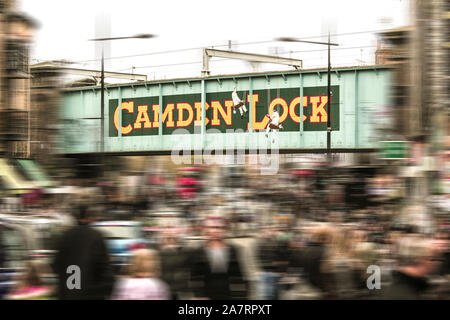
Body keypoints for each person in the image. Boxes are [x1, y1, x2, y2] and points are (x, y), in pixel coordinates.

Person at [52, 204, 114, 299]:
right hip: (90, 294)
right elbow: (105, 269)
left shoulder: (65, 236)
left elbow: (56, 265)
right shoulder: (96, 236)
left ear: (74, 217)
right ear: (90, 218)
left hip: (69, 293)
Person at [189, 216, 248, 300]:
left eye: (219, 228)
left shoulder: (234, 250)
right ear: (205, 230)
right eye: (211, 227)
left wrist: (240, 297)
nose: (215, 231)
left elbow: (239, 277)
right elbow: (195, 278)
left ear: (225, 230)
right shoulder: (199, 252)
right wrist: (200, 296)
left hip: (229, 296)